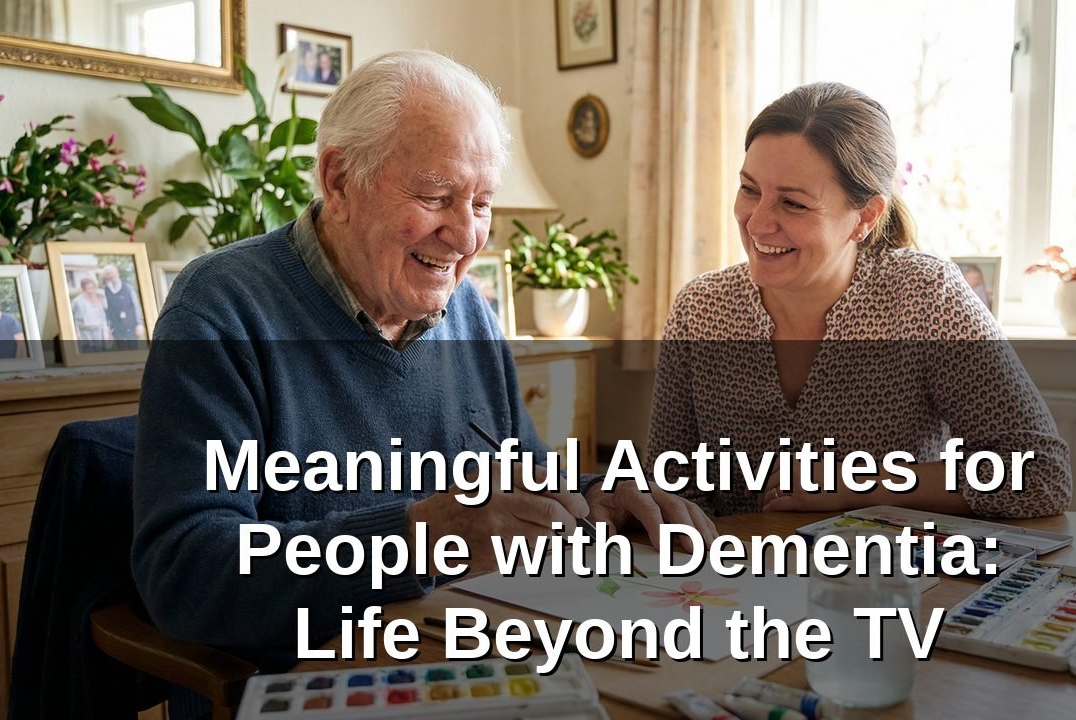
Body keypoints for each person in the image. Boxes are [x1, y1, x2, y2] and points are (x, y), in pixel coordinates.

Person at [131, 50, 714, 678]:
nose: (465, 236)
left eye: (483, 203)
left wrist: (599, 502)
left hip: (468, 662)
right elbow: (186, 574)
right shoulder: (220, 312)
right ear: (338, 182)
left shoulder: (469, 312)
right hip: (312, 685)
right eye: (437, 197)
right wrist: (420, 538)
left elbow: (528, 478)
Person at [646, 82, 1071, 519]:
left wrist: (859, 484)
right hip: (735, 576)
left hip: (885, 579)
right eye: (749, 189)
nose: (756, 223)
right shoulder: (701, 308)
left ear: (865, 216)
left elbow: (1040, 473)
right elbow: (667, 484)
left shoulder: (924, 295)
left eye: (792, 203)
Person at [100, 264, 144, 345]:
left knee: (134, 350)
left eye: (111, 273)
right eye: (107, 274)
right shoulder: (105, 291)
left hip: (131, 326)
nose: (110, 276)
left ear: (117, 273)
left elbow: (136, 306)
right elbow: (106, 311)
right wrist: (108, 329)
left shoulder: (128, 288)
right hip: (117, 329)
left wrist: (139, 324)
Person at [70, 276, 110, 353]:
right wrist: (76, 331)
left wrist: (107, 331)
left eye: (93, 288)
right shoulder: (77, 301)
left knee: (102, 353)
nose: (91, 290)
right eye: (89, 288)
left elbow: (104, 317)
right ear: (83, 288)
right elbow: (74, 318)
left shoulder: (100, 298)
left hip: (100, 332)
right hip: (86, 333)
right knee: (89, 353)